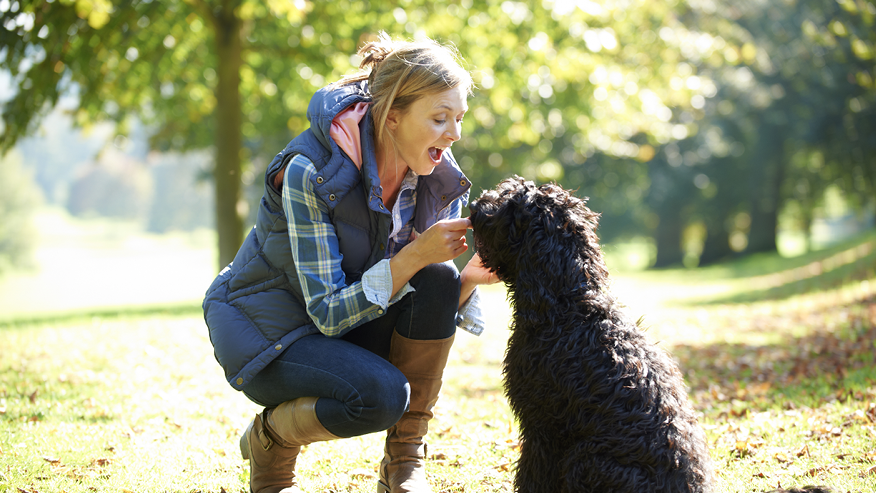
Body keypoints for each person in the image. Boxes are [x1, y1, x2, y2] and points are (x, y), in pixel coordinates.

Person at [202, 32, 498, 493]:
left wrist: (465, 281)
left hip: (350, 323)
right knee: (380, 396)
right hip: (276, 336)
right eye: (440, 118)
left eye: (458, 118)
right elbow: (327, 312)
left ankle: (403, 466)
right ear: (393, 116)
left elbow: (424, 300)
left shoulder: (435, 174)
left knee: (440, 277)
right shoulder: (310, 171)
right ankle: (272, 438)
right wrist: (416, 254)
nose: (454, 134)